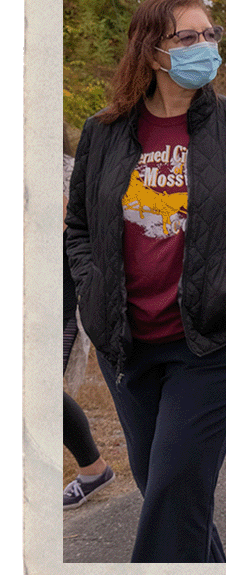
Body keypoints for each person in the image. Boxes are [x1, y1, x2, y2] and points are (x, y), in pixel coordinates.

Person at [65, 0, 226, 561]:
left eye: (210, 35)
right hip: (127, 343)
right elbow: (78, 225)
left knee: (175, 488)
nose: (205, 47)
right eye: (188, 37)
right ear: (152, 52)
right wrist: (92, 280)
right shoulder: (104, 132)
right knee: (167, 492)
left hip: (216, 337)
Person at [63, 153, 115, 510]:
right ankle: (93, 468)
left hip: (59, 300)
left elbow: (82, 231)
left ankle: (93, 468)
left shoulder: (67, 170)